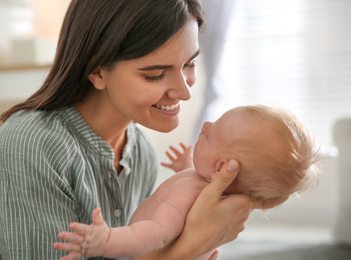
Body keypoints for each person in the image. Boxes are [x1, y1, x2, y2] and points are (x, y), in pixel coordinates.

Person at [0, 1, 260, 259]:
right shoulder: (32, 145)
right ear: (97, 71)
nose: (184, 92)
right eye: (155, 75)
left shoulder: (140, 151)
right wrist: (191, 247)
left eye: (189, 64)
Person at [53, 105, 321, 260]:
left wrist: (107, 241)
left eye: (209, 135)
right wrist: (185, 166)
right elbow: (194, 183)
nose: (205, 125)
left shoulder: (187, 195)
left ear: (221, 168)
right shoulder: (207, 189)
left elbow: (155, 233)